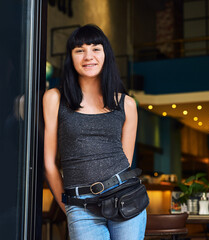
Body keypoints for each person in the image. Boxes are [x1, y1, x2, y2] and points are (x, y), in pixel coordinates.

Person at [43, 24, 146, 240]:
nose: (88, 56)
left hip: (125, 199)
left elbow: (125, 160)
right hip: (79, 205)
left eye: (95, 48)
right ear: (70, 57)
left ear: (106, 54)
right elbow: (49, 164)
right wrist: (69, 206)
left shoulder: (126, 104)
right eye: (79, 50)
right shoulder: (55, 98)